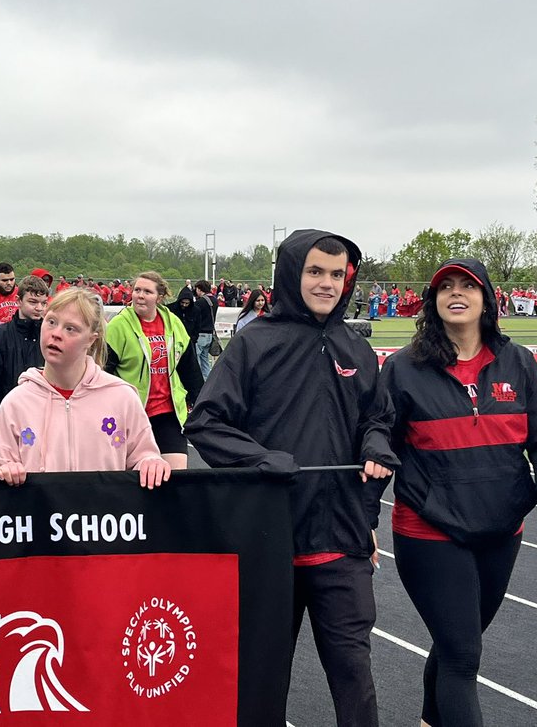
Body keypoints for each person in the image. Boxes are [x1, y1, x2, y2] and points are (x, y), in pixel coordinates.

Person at [184, 230, 397, 727]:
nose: (326, 283)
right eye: (315, 272)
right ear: (292, 274)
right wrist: (260, 459)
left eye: (337, 274)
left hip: (341, 543)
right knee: (262, 678)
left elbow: (377, 418)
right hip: (269, 542)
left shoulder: (356, 347)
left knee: (355, 678)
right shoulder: (254, 343)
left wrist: (375, 444)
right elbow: (206, 423)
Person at [381, 259, 537, 727]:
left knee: (456, 644)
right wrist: (361, 521)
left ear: (486, 298)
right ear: (432, 302)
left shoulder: (518, 362)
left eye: (467, 286)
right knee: (464, 654)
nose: (456, 293)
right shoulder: (403, 369)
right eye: (445, 286)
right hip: (429, 530)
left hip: (500, 529)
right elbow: (376, 449)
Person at [0, 288, 170, 489]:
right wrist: (4, 469)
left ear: (92, 338)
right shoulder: (17, 402)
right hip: (42, 516)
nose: (56, 334)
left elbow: (142, 455)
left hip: (102, 516)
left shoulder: (122, 398)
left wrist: (150, 463)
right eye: (51, 322)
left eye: (70, 328)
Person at [105, 271, 203, 471]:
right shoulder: (118, 325)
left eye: (147, 292)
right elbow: (104, 372)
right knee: (134, 477)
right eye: (137, 290)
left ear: (159, 298)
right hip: (132, 414)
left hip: (167, 412)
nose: (140, 295)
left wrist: (202, 405)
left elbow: (189, 369)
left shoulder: (173, 323)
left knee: (176, 475)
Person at [0, 275, 49, 440]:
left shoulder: (51, 335)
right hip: (8, 422)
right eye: (33, 302)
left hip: (45, 423)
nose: (39, 308)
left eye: (43, 303)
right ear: (19, 301)